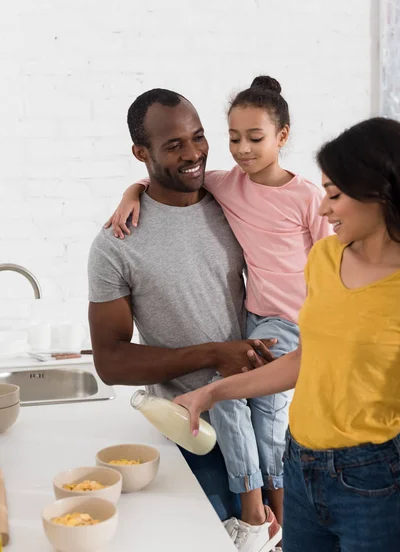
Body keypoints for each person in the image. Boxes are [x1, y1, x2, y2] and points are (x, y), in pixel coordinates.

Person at [104, 76, 331, 551]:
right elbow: (160, 180)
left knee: (259, 408)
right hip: (254, 319)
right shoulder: (227, 186)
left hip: (292, 324)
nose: (241, 150)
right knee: (230, 400)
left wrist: (325, 334)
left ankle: (270, 515)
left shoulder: (307, 196)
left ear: (282, 137)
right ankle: (263, 514)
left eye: (255, 138)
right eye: (234, 138)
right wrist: (130, 192)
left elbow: (334, 261)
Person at [172, 117, 400, 552]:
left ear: (380, 193)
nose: (323, 208)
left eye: (334, 195)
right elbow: (305, 360)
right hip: (299, 463)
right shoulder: (325, 258)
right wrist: (212, 394)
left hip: (376, 478)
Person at [87, 87, 280, 545]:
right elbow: (110, 362)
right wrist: (215, 355)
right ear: (141, 152)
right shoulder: (117, 243)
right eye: (173, 145)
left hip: (268, 414)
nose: (193, 153)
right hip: (196, 431)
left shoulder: (235, 203)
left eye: (198, 137)